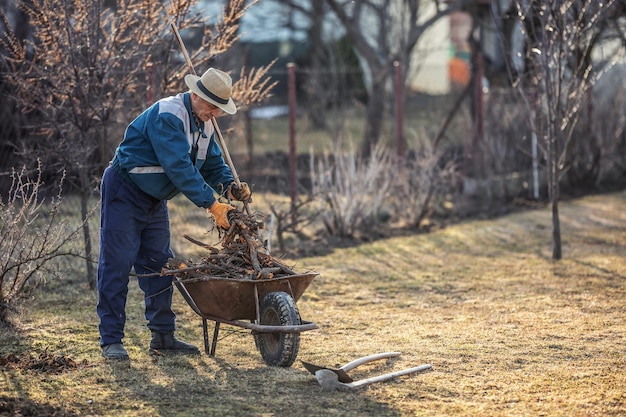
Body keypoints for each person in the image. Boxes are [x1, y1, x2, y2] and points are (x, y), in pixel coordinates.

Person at [97, 67, 251, 360]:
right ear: (195, 95)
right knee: (116, 264)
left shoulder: (206, 124)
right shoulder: (168, 114)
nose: (215, 114)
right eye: (212, 106)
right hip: (125, 190)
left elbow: (212, 165)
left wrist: (230, 188)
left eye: (219, 109)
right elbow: (179, 167)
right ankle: (111, 340)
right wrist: (212, 204)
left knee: (160, 265)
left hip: (154, 198)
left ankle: (163, 337)